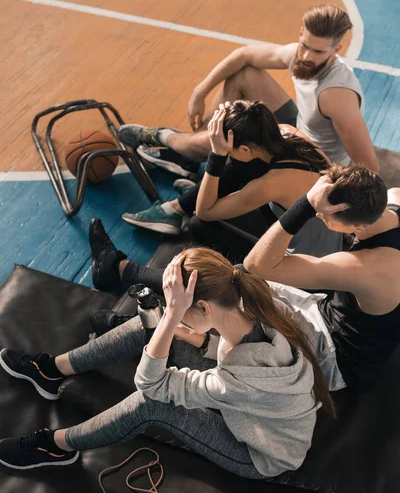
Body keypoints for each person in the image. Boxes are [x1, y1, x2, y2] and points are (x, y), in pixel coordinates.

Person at [0, 249, 334, 478]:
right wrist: (176, 325)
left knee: (150, 403)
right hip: (258, 403)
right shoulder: (254, 301)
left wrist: (172, 317)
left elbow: (150, 384)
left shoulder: (238, 381)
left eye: (184, 305)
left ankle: (56, 446)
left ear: (202, 307)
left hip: (262, 451)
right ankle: (53, 371)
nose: (176, 308)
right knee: (154, 322)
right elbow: (251, 354)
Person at [118, 4, 379, 176]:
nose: (307, 55)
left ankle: (164, 138)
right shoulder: (299, 55)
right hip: (299, 129)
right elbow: (244, 56)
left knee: (236, 135)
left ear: (336, 50)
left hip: (310, 163)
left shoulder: (336, 96)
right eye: (304, 44)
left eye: (319, 51)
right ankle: (191, 155)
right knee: (244, 74)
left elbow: (369, 168)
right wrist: (201, 91)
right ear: (301, 34)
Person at [121, 100, 342, 263]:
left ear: (245, 148)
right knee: (247, 165)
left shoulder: (270, 183)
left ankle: (189, 201)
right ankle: (197, 195)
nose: (227, 153)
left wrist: (217, 155)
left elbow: (204, 212)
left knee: (198, 225)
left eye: (231, 150)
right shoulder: (288, 133)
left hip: (305, 265)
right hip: (334, 240)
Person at [243, 164, 400, 388]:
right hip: (357, 321)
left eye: (324, 214)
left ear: (359, 226)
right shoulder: (395, 197)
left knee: (241, 280)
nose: (318, 213)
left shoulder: (362, 267)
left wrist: (305, 204)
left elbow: (255, 265)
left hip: (339, 358)